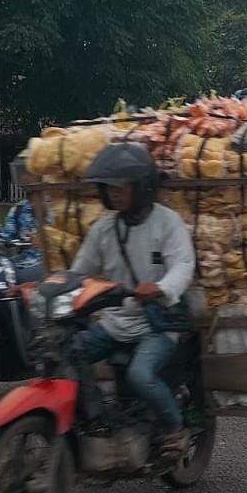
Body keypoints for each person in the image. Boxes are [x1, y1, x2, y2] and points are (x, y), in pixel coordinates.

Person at [70, 143, 196, 457]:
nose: (113, 194)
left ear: (142, 186)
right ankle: (95, 419)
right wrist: (44, 288)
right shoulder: (104, 230)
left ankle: (175, 429)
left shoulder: (167, 222)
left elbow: (183, 265)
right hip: (116, 322)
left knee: (140, 374)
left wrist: (161, 288)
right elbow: (79, 272)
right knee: (66, 354)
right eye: (108, 188)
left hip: (158, 324)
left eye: (120, 187)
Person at [2, 153, 44, 285]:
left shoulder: (56, 207)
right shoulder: (18, 209)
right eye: (21, 173)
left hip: (49, 264)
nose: (24, 177)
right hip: (23, 261)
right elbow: (5, 237)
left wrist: (47, 239)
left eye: (29, 173)